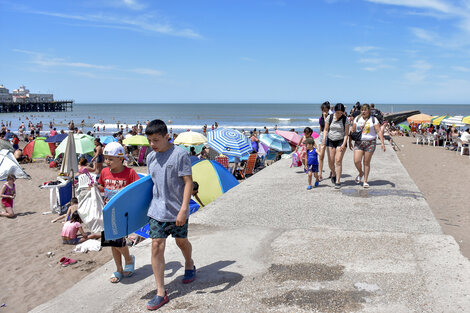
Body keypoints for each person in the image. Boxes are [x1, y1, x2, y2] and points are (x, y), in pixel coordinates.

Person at [145, 119, 195, 311]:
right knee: (157, 246)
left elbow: (188, 182)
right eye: (149, 140)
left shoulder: (180, 155)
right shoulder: (150, 157)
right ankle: (160, 292)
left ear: (167, 137)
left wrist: (183, 209)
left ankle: (189, 263)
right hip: (157, 210)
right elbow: (149, 185)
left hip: (177, 210)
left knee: (181, 242)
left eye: (156, 140)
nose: (152, 145)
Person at [95, 142, 139, 283]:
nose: (107, 162)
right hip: (107, 211)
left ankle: (128, 259)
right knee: (111, 242)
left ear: (121, 159)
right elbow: (103, 187)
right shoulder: (104, 172)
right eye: (105, 158)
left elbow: (136, 190)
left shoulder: (130, 173)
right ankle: (119, 269)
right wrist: (96, 187)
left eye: (110, 159)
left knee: (118, 241)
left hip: (122, 212)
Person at [349, 104, 386, 188]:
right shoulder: (357, 118)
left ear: (369, 111)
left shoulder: (374, 119)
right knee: (356, 161)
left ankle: (365, 181)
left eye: (365, 110)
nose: (363, 112)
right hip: (359, 142)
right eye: (362, 110)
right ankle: (360, 173)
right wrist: (350, 141)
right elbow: (352, 130)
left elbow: (379, 131)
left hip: (370, 142)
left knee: (366, 162)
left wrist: (383, 143)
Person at [322, 103, 350, 189]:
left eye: (341, 113)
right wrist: (324, 138)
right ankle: (333, 173)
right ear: (334, 111)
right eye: (338, 112)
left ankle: (338, 181)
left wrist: (344, 143)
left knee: (338, 161)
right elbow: (326, 129)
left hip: (340, 141)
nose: (339, 114)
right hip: (330, 140)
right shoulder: (329, 117)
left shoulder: (345, 119)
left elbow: (346, 133)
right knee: (331, 161)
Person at [317, 102, 330, 180]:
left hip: (329, 136)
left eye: (326, 110)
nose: (324, 112)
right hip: (322, 136)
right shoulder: (320, 118)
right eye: (323, 110)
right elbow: (321, 128)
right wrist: (320, 135)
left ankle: (332, 172)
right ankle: (320, 174)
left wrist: (325, 118)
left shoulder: (330, 117)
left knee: (330, 157)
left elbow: (327, 127)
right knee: (321, 156)